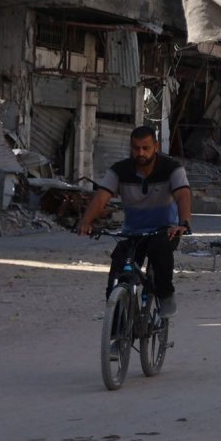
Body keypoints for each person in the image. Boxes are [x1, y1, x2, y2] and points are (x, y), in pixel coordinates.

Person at [77, 125, 193, 316]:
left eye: (145, 148)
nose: (140, 153)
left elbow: (183, 194)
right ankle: (116, 328)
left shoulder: (172, 168)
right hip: (132, 232)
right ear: (130, 148)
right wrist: (86, 221)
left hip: (164, 230)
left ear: (155, 146)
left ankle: (165, 295)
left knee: (160, 250)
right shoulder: (119, 170)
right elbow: (101, 198)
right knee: (119, 267)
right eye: (136, 148)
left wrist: (184, 222)